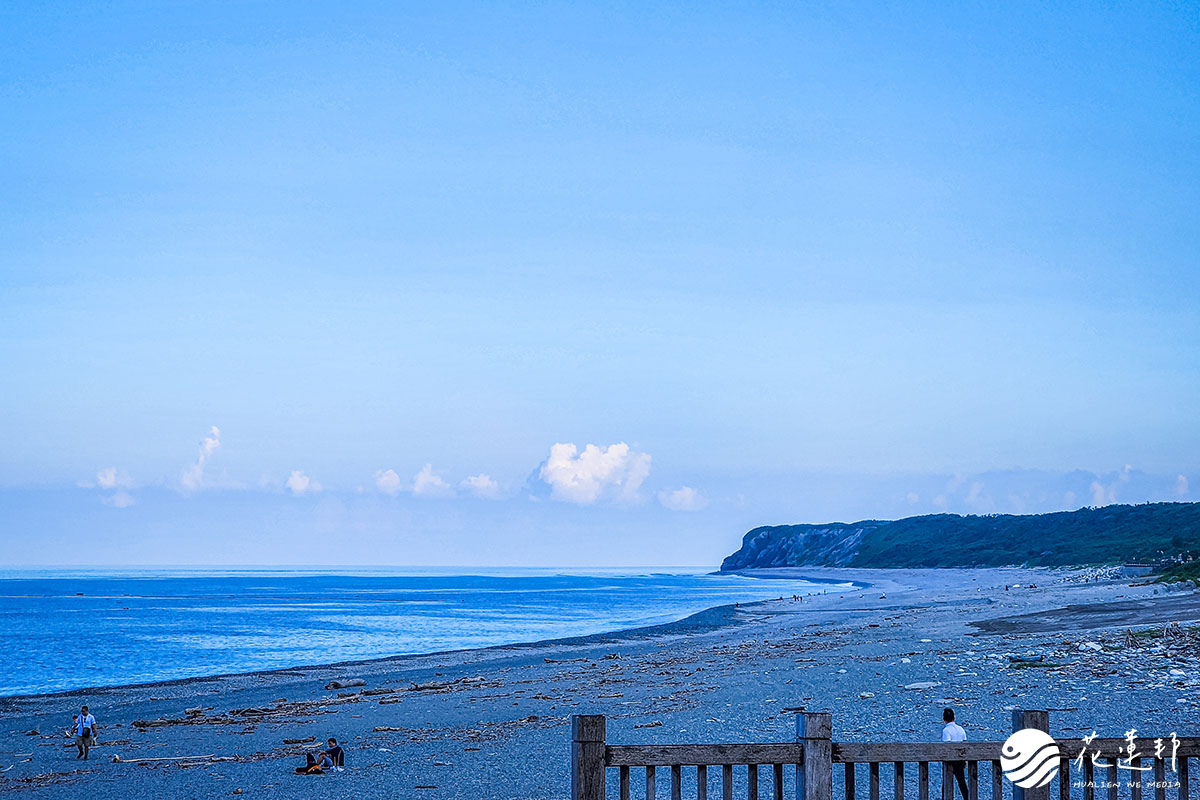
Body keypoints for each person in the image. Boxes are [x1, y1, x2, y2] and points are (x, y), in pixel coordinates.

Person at [941, 708, 969, 800]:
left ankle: (945, 797)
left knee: (946, 781)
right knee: (961, 781)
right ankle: (967, 797)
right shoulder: (961, 729)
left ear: (944, 719)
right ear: (954, 718)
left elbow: (947, 746)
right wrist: (965, 759)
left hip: (951, 761)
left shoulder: (946, 730)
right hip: (960, 759)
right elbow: (965, 743)